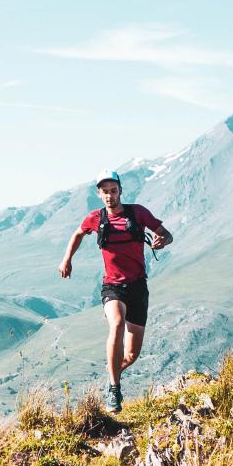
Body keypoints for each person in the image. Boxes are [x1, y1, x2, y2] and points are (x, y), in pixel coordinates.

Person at [58, 170, 172, 412]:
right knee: (117, 324)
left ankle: (113, 371)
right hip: (113, 287)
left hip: (138, 286)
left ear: (120, 190)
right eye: (104, 192)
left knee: (131, 355)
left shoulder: (138, 213)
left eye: (113, 190)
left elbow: (166, 234)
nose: (109, 196)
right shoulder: (95, 218)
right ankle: (114, 390)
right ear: (98, 194)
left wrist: (163, 240)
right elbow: (78, 233)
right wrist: (67, 259)